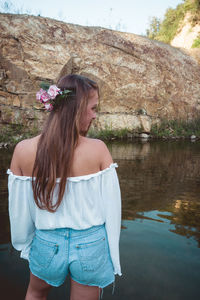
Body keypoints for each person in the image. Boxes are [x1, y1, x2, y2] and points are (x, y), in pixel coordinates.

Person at [7, 74, 122, 300]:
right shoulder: (98, 150)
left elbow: (19, 212)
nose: (94, 115)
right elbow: (113, 210)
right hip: (90, 244)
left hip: (47, 242)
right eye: (92, 108)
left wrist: (27, 244)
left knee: (35, 294)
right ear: (77, 109)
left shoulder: (23, 150)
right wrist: (113, 255)